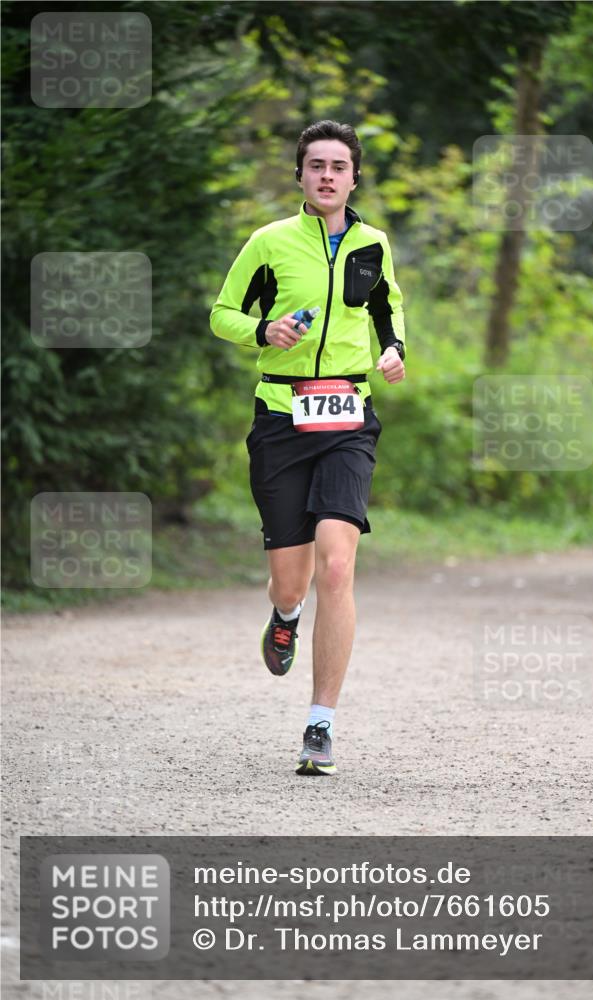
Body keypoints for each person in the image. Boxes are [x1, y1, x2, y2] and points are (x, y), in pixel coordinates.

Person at [209, 120, 406, 775]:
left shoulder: (373, 242)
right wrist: (263, 329)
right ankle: (285, 613)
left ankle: (319, 725)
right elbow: (222, 314)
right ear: (299, 175)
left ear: (354, 177)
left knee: (338, 565)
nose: (327, 175)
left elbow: (387, 310)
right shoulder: (268, 243)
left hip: (348, 416)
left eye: (338, 166)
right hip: (280, 418)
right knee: (291, 578)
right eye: (315, 165)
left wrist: (393, 350)